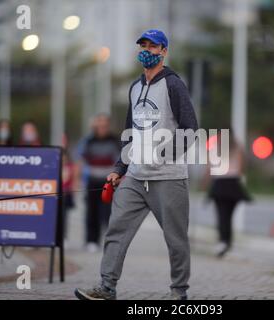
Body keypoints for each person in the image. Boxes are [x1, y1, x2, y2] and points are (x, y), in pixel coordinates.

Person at [74, 29, 198, 300]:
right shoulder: (135, 87)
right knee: (116, 230)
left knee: (175, 240)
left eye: (153, 46)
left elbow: (190, 128)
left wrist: (162, 154)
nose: (147, 50)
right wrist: (120, 168)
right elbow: (130, 132)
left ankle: (179, 292)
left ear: (164, 51)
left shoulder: (174, 84)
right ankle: (107, 288)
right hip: (135, 178)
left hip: (168, 177)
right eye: (143, 45)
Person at [75, 114, 121, 252]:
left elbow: (121, 160)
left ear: (108, 125)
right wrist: (77, 179)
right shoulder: (87, 141)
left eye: (104, 124)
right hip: (91, 181)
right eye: (99, 124)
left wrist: (119, 178)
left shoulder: (115, 141)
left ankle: (110, 242)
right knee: (91, 212)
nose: (102, 127)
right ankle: (91, 241)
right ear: (95, 125)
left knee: (108, 214)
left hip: (109, 182)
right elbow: (79, 160)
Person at [204, 129, 250, 258]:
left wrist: (205, 182)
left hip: (220, 184)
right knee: (228, 216)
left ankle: (223, 241)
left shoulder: (216, 147)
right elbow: (241, 168)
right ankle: (227, 242)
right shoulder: (237, 146)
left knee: (221, 215)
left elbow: (209, 168)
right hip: (233, 184)